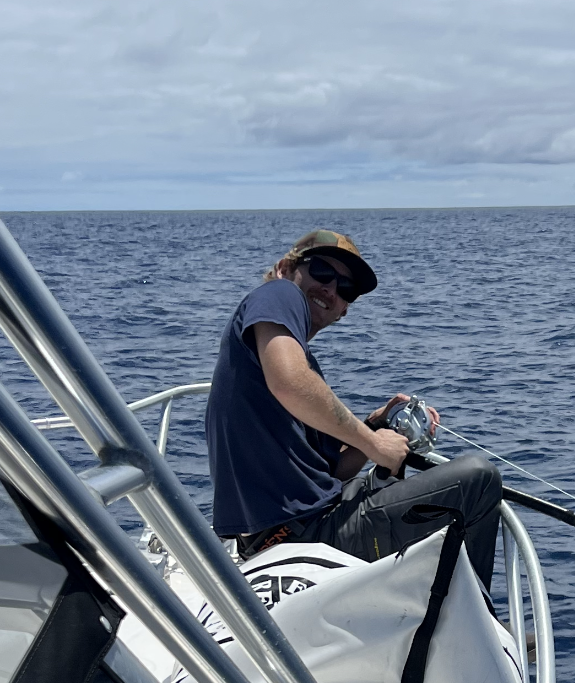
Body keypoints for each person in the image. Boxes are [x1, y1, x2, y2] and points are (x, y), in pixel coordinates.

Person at [205, 229, 502, 589]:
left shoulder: (299, 364)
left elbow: (334, 470)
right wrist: (375, 445)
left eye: (346, 289)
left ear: (345, 310)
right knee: (478, 479)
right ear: (285, 268)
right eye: (321, 272)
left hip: (299, 526)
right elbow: (289, 383)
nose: (331, 290)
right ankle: (482, 629)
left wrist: (374, 428)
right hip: (299, 536)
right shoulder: (278, 293)